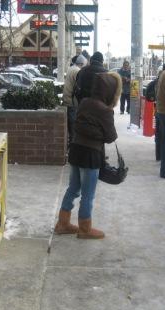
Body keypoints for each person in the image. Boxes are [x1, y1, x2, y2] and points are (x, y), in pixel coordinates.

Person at [54, 72, 121, 239]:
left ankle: (62, 223)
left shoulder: (85, 102)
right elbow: (111, 137)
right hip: (91, 155)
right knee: (88, 194)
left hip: (76, 151)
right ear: (110, 91)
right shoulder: (105, 111)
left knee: (73, 188)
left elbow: (80, 125)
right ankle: (85, 228)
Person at [62, 54, 88, 147]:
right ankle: (73, 146)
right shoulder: (77, 71)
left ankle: (71, 144)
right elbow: (79, 87)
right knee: (73, 125)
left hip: (67, 99)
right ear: (81, 64)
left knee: (70, 124)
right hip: (72, 101)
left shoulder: (71, 69)